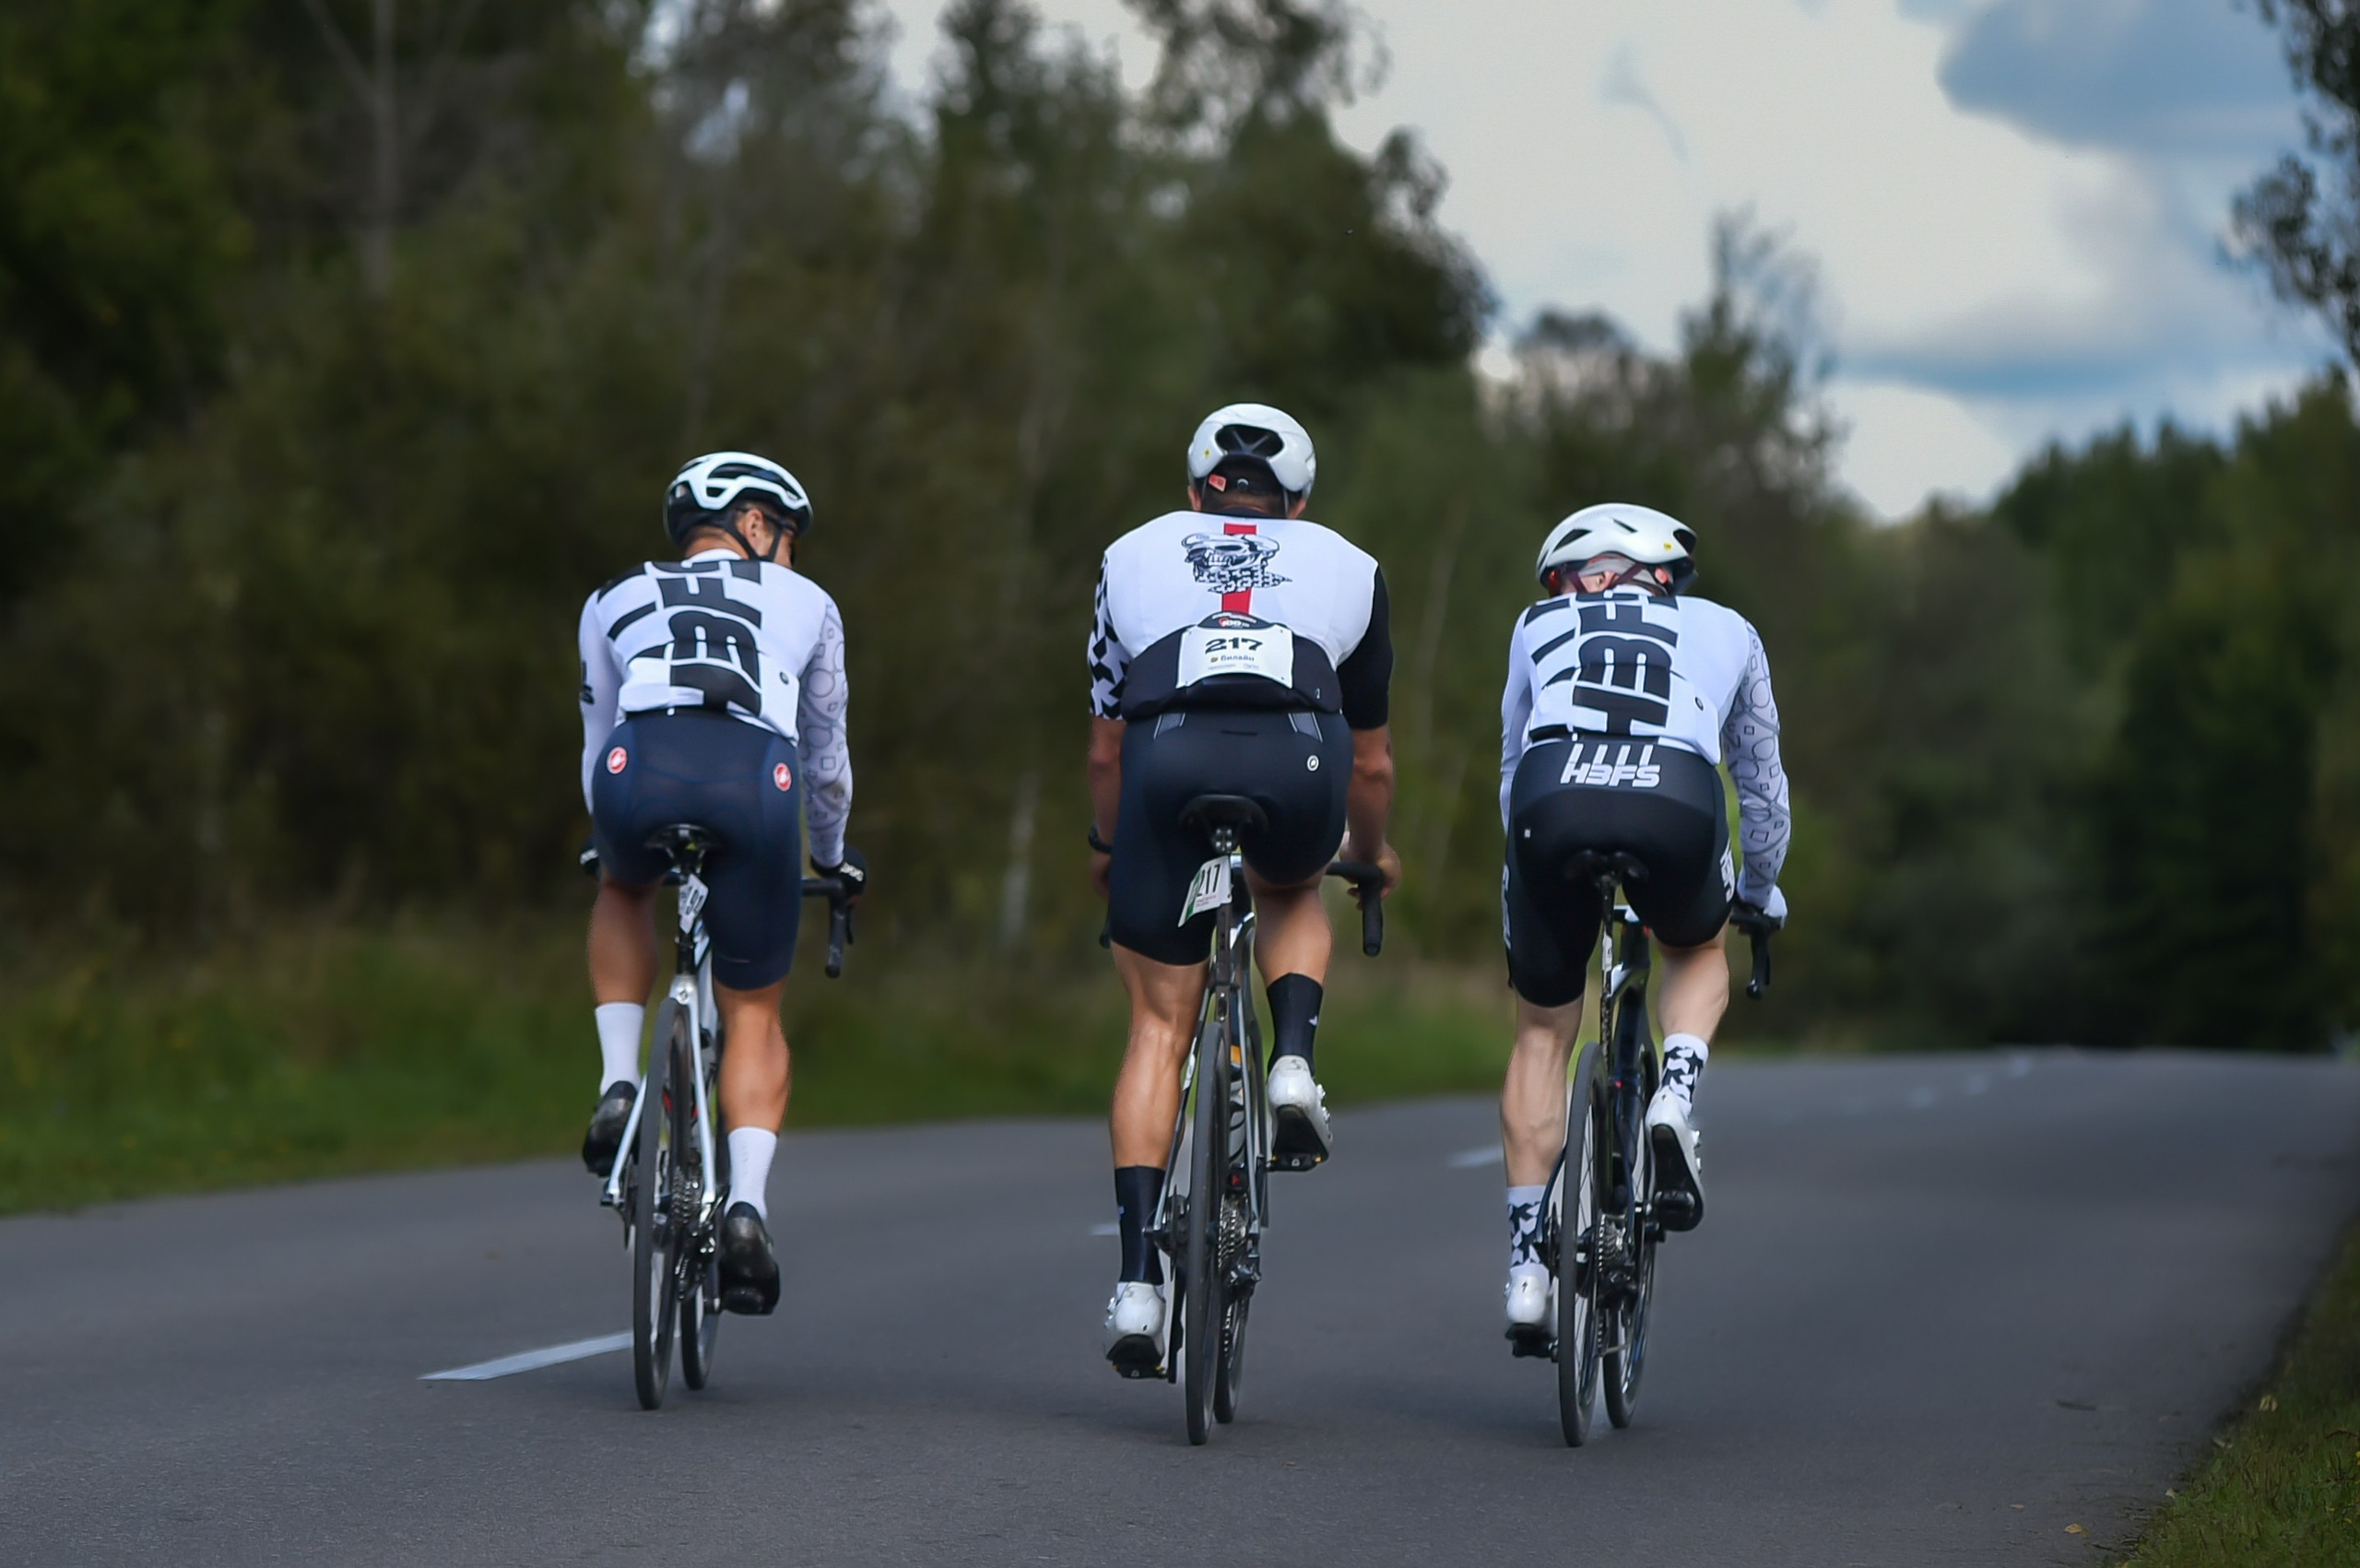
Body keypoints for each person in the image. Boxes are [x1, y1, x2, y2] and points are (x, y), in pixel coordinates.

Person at [1086, 402, 1400, 1372]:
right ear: (1298, 503)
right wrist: (1373, 855)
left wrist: (1109, 841)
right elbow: (1374, 767)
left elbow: (1105, 741)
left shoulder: (1130, 553)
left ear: (1193, 491)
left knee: (1154, 1028)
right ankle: (1293, 1057)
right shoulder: (1350, 565)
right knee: (1292, 888)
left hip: (1166, 757)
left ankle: (1139, 1283)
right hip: (1296, 758)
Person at [575, 451, 864, 1315]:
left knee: (623, 889)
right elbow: (826, 759)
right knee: (752, 1010)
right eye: (788, 535)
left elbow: (596, 737)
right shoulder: (811, 605)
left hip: (639, 765)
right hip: (754, 777)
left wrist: (606, 837)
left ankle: (618, 1082)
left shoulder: (611, 595)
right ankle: (746, 1206)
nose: (792, 555)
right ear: (752, 523)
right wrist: (832, 856)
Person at [1493, 502, 1788, 1348]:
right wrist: (1760, 891)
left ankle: (1525, 1269)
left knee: (1543, 1033)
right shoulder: (1727, 627)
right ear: (1666, 573)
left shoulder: (1535, 623)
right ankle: (1674, 1094)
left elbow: (1513, 767)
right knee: (1697, 948)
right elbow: (1761, 782)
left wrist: (1522, 881)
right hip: (1675, 798)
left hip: (1553, 797)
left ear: (1570, 576)